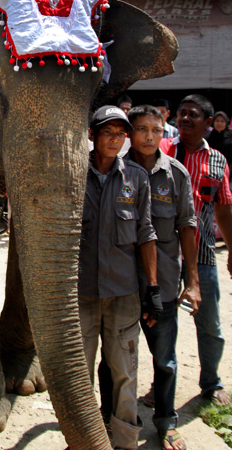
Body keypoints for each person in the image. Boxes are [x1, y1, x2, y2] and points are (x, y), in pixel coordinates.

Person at [79, 105, 160, 450]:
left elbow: (146, 234)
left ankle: (125, 441)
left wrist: (152, 289)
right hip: (81, 294)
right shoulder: (74, 174)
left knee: (125, 372)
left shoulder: (136, 179)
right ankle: (81, 438)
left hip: (123, 294)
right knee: (79, 374)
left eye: (120, 134)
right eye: (108, 132)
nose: (115, 140)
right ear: (92, 136)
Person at [127, 105, 200, 450]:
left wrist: (194, 281)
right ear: (130, 132)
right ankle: (120, 421)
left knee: (165, 360)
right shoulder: (116, 171)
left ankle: (166, 422)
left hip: (165, 284)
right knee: (118, 360)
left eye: (156, 130)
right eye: (142, 129)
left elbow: (188, 226)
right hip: (123, 284)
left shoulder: (176, 174)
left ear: (163, 130)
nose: (150, 137)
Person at [160, 94, 232, 406]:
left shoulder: (217, 160)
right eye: (181, 113)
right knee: (164, 328)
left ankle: (211, 383)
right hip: (161, 257)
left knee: (210, 323)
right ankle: (161, 388)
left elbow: (224, 209)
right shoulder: (160, 152)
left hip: (202, 258)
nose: (185, 119)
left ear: (207, 124)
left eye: (193, 115)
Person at [208, 111, 232, 179]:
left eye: (222, 121)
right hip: (210, 170)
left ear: (226, 123)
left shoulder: (230, 138)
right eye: (217, 121)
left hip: (226, 171)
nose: (219, 123)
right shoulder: (207, 138)